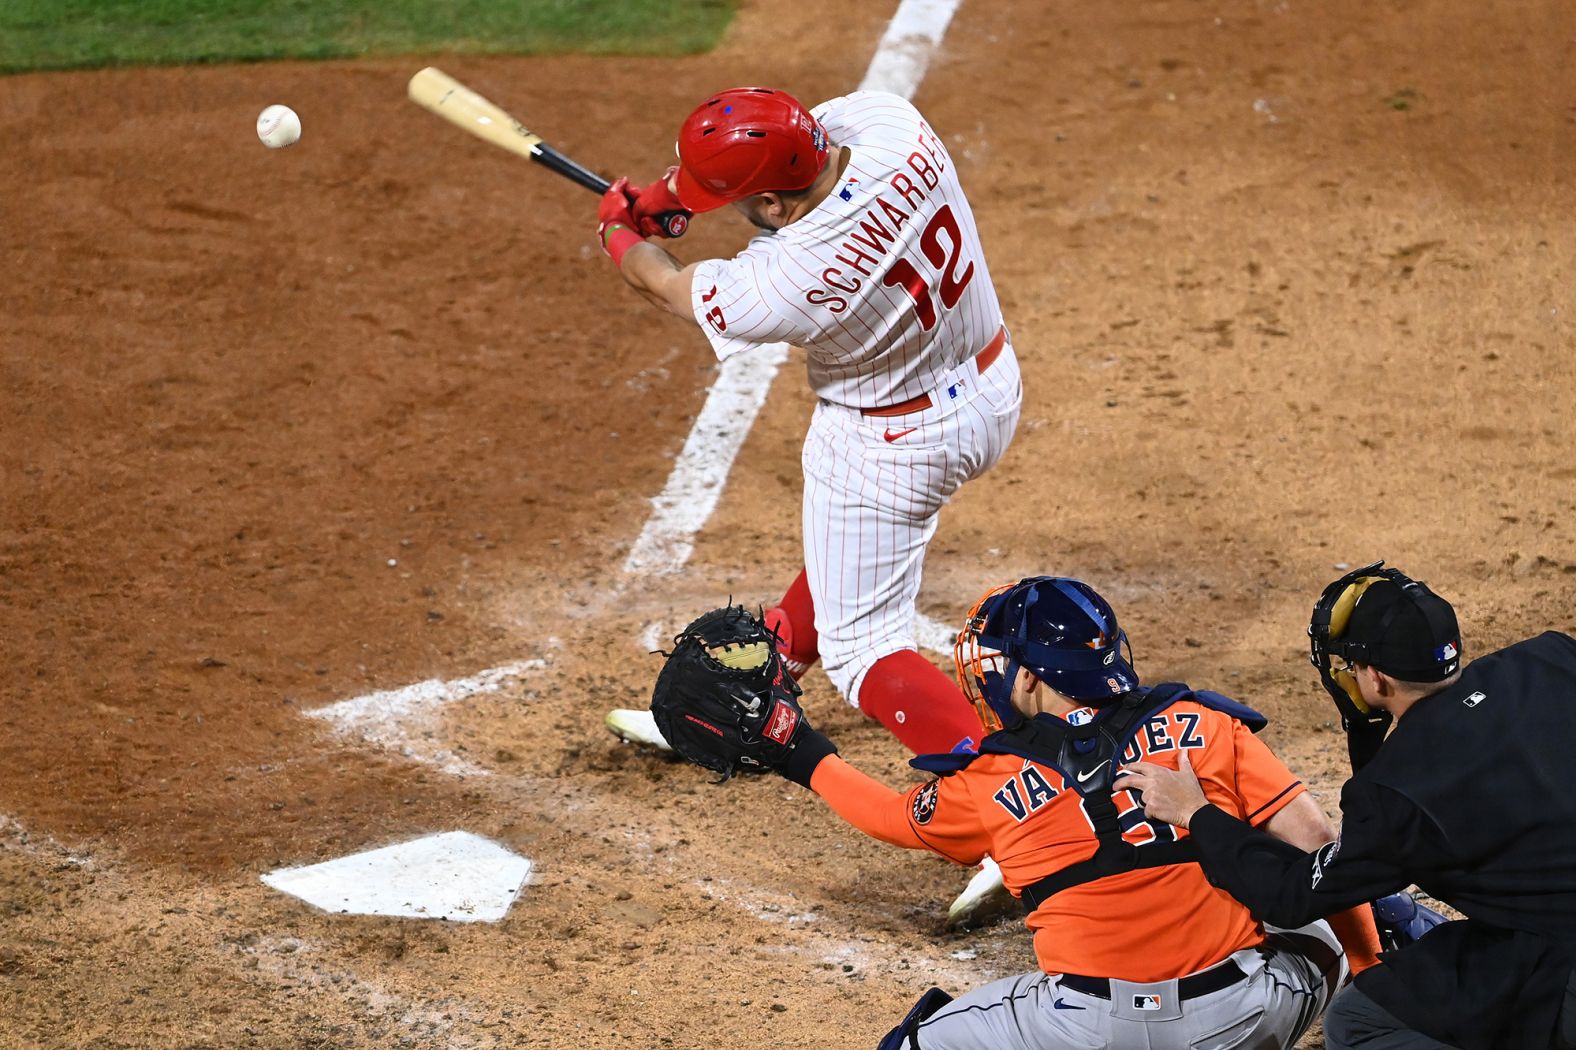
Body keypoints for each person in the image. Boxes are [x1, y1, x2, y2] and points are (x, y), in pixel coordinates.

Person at [650, 578, 1387, 1049]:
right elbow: (1320, 844)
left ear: (1031, 679)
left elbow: (889, 815)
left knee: (914, 1044)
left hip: (1090, 1031)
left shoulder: (988, 781)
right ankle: (1405, 947)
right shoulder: (1204, 723)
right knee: (1306, 883)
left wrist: (796, 748)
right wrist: (1368, 977)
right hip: (1248, 1015)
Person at [598, 85, 1022, 764]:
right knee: (847, 546)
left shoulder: (786, 280)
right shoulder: (895, 125)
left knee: (865, 649)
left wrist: (618, 230)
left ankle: (1018, 796)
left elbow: (662, 283)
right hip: (989, 380)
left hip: (897, 447)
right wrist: (672, 193)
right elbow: (794, 135)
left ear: (771, 205)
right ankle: (758, 686)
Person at [1119, 561, 1576, 1050]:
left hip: (1561, 970)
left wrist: (1196, 814)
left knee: (1359, 1022)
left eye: (1353, 668)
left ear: (1376, 679)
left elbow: (1291, 895)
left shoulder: (1396, 795)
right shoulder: (1552, 657)